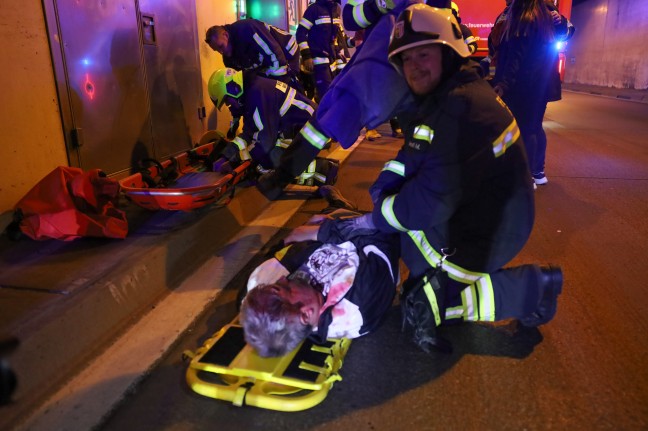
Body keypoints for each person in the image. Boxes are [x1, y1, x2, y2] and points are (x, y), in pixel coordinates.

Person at [340, 4, 563, 353]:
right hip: (492, 213)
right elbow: (412, 157)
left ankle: (529, 290)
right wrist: (383, 186)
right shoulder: (450, 96)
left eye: (424, 55)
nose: (415, 67)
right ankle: (455, 286)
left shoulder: (458, 109)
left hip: (491, 230)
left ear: (448, 52)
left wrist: (379, 214)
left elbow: (429, 201)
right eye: (407, 60)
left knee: (418, 275)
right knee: (403, 233)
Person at [256, 0, 452, 200]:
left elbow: (442, 19)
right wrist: (380, 4)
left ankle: (414, 197)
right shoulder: (324, 10)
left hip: (392, 67)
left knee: (419, 138)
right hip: (380, 65)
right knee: (328, 120)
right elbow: (350, 19)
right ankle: (412, 198)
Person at [239, 190, 400, 357]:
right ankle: (341, 209)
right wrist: (320, 231)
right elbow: (381, 235)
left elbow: (285, 250)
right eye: (284, 288)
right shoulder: (360, 302)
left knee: (315, 223)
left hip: (335, 232)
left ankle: (335, 210)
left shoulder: (260, 288)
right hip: (364, 231)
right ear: (307, 313)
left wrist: (297, 236)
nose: (282, 279)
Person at [207, 68, 337, 185]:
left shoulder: (256, 95)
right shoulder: (253, 90)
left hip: (314, 131)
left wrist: (234, 161)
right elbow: (249, 133)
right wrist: (226, 154)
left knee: (265, 163)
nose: (230, 106)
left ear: (233, 89)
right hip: (308, 127)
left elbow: (264, 143)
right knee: (259, 155)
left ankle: (324, 171)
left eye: (227, 101)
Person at [490, 0, 569, 186]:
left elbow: (515, 56)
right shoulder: (544, 12)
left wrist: (504, 83)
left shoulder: (523, 15)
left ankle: (523, 175)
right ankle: (536, 172)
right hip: (541, 84)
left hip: (523, 84)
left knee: (519, 128)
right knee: (533, 127)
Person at [205, 19, 302, 90]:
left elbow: (275, 55)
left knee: (287, 87)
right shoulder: (228, 59)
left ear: (226, 35)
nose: (221, 52)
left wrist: (280, 85)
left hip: (287, 50)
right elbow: (241, 81)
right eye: (216, 50)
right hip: (268, 61)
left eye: (221, 46)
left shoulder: (247, 29)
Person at [296, 0, 345, 102]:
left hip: (332, 61)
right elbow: (300, 34)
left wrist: (351, 42)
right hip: (318, 60)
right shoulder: (313, 9)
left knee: (333, 95)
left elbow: (338, 36)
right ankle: (322, 117)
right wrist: (307, 56)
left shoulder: (336, 9)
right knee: (325, 96)